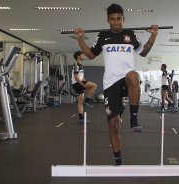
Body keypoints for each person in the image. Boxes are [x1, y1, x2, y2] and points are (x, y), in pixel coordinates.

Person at [73, 3, 158, 165]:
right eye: (113, 19)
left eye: (119, 18)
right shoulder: (103, 36)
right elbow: (90, 55)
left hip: (126, 78)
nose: (116, 22)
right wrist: (80, 39)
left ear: (123, 19)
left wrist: (153, 35)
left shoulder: (130, 35)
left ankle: (134, 119)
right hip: (110, 83)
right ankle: (118, 160)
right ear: (108, 20)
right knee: (113, 126)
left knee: (134, 75)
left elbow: (144, 51)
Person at [72, 50, 97, 122]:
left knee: (80, 101)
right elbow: (76, 77)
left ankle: (81, 118)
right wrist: (83, 85)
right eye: (82, 55)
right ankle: (88, 100)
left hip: (79, 83)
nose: (83, 56)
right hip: (77, 83)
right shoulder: (76, 65)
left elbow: (81, 76)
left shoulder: (81, 65)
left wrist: (84, 81)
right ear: (78, 56)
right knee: (94, 85)